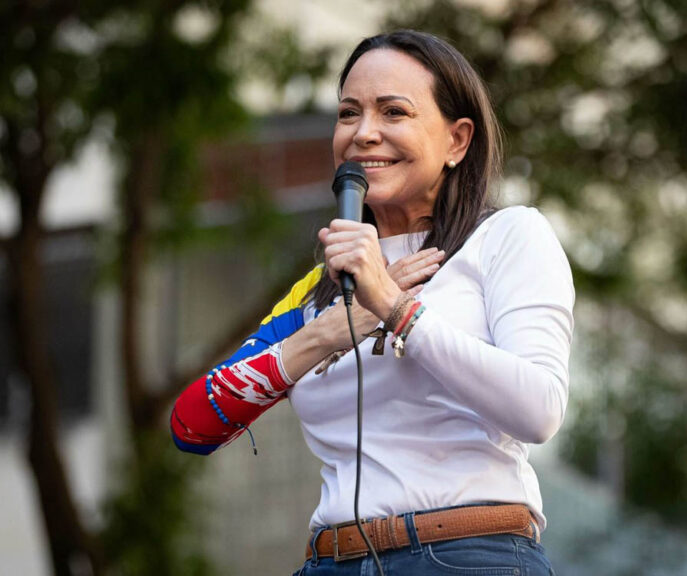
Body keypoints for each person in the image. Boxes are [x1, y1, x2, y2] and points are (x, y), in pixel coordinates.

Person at [171, 30, 574, 575]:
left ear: (457, 141)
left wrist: (396, 308)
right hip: (331, 560)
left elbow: (540, 409)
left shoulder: (504, 237)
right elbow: (192, 423)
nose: (364, 133)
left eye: (394, 112)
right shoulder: (320, 290)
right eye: (348, 113)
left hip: (467, 554)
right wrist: (328, 332)